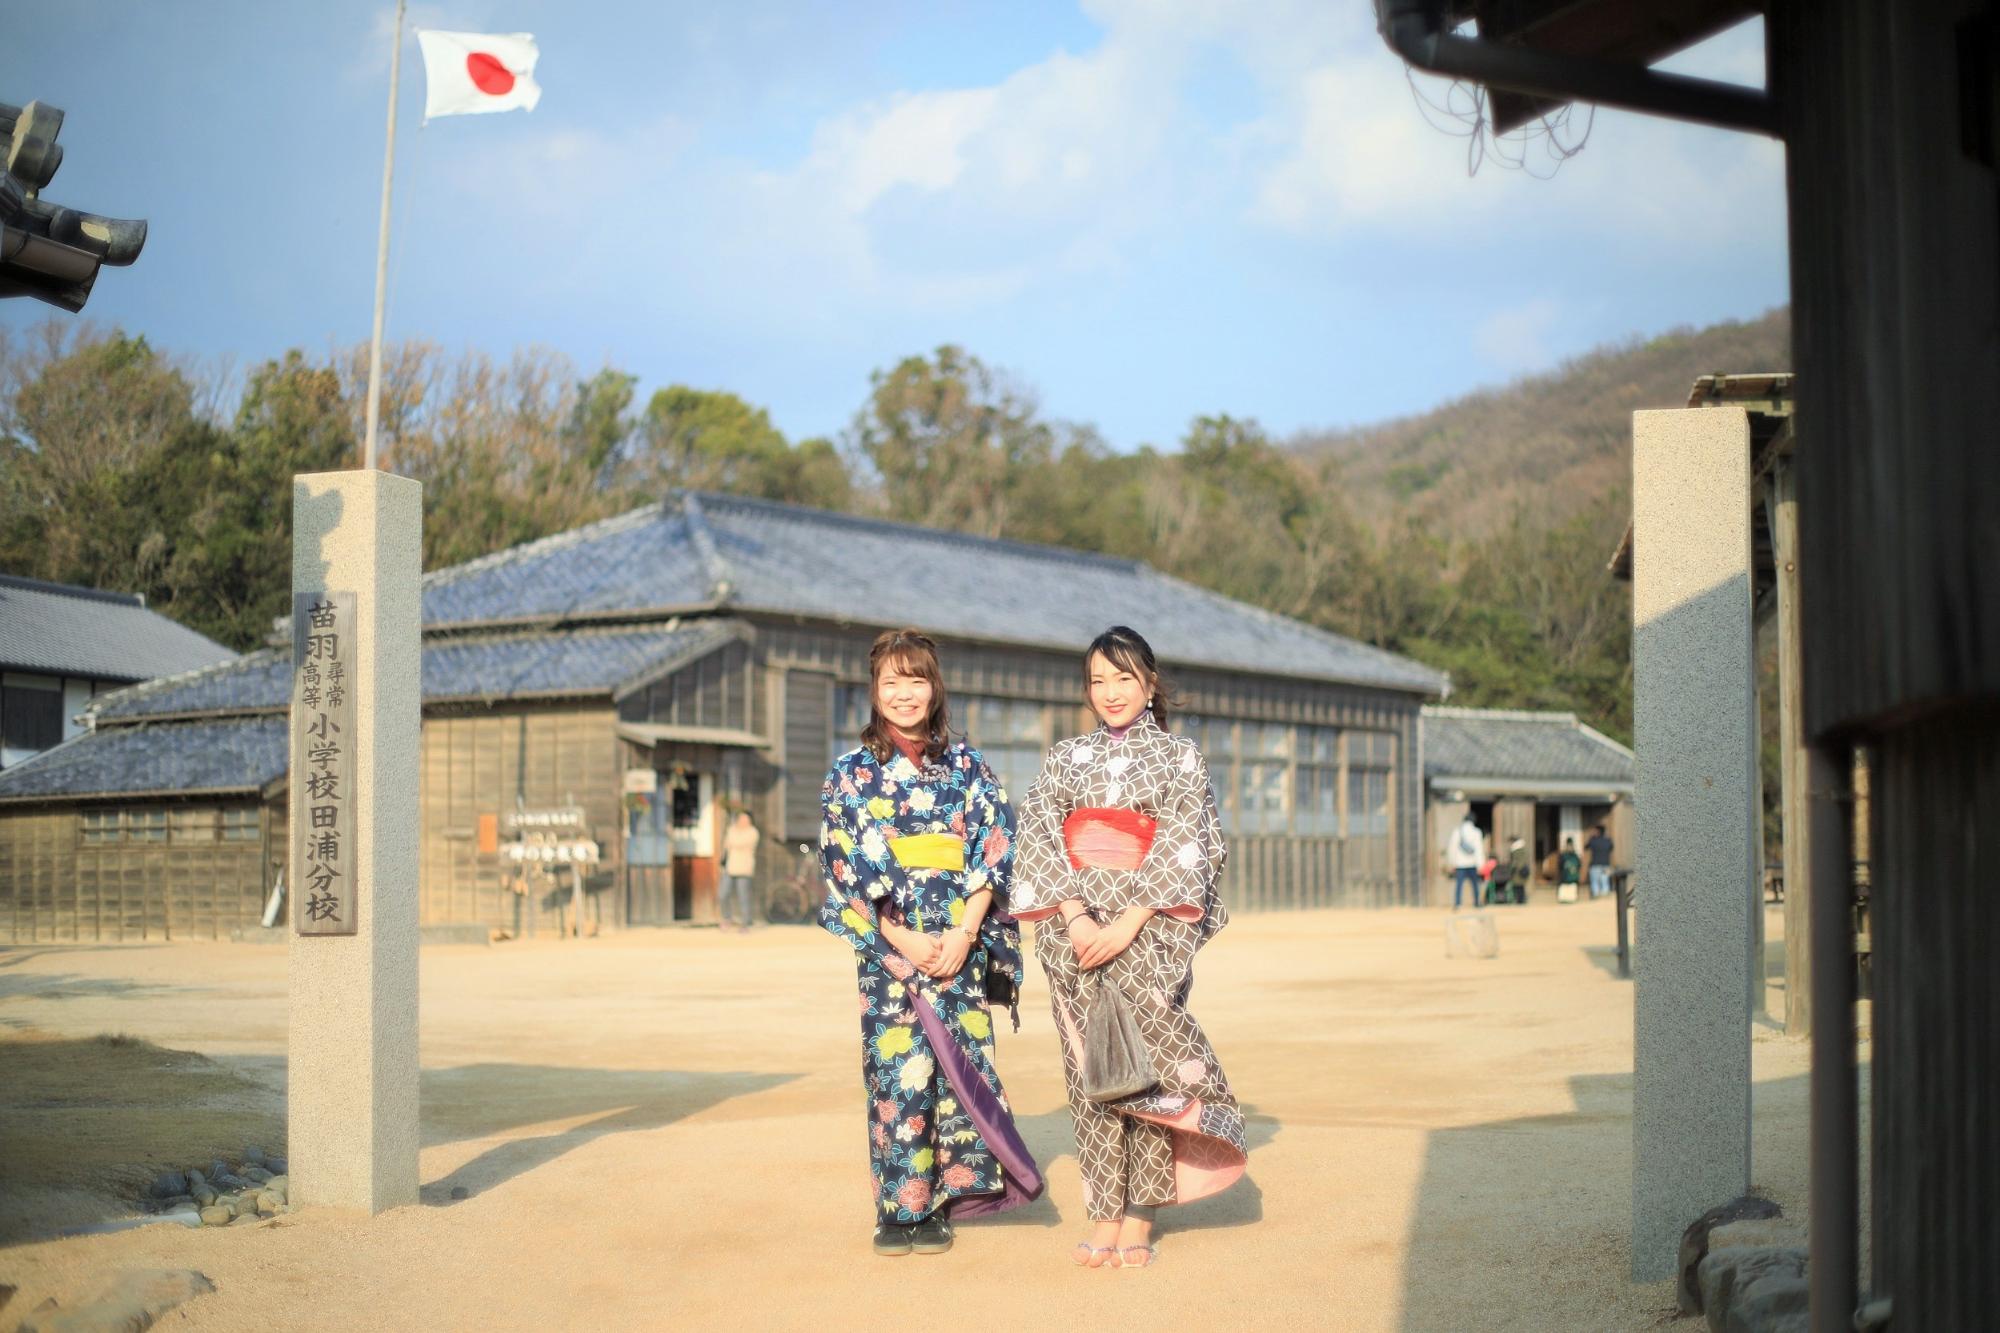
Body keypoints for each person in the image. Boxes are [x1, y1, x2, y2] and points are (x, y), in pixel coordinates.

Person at [1013, 626, 1248, 1271]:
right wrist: (1076, 916)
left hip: (1149, 931)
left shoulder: (1180, 758)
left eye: (1123, 678)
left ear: (1149, 683)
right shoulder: (1065, 758)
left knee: (1142, 1070)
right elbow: (1037, 832)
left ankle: (1141, 1214)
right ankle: (1104, 1210)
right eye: (1097, 680)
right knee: (1090, 1073)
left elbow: (1191, 843)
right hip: (1074, 931)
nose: (1110, 692)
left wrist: (1131, 920)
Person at [817, 628, 1044, 1258]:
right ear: (874, 691)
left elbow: (994, 852)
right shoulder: (851, 774)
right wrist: (902, 938)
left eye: (915, 680)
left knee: (955, 1075)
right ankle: (899, 1208)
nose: (904, 693)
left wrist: (965, 931)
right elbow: (844, 871)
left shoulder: (968, 768)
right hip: (892, 951)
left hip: (958, 944)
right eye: (891, 681)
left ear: (934, 687)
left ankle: (943, 1198)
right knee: (897, 1075)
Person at [720, 809, 760, 931]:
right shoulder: (731, 830)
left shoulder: (753, 832)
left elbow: (737, 843)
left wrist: (732, 841)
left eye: (745, 819)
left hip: (744, 868)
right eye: (741, 819)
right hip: (730, 867)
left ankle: (745, 922)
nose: (743, 821)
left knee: (743, 896)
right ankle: (727, 918)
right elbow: (726, 845)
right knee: (722, 894)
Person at [1446, 814, 1484, 910]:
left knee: (1459, 885)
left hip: (1460, 863)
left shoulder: (1458, 831)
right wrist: (1480, 864)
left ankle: (1457, 904)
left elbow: (1452, 848)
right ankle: (1477, 902)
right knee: (1475, 884)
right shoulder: (1477, 832)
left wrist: (1452, 862)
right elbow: (1479, 849)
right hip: (1472, 863)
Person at [1585, 823, 1615, 900]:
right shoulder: (1608, 840)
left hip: (1595, 865)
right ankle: (1604, 901)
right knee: (1605, 883)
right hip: (1606, 864)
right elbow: (1611, 848)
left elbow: (1586, 847)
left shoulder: (1593, 840)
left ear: (1597, 831)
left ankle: (1596, 899)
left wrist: (1591, 837)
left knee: (1595, 883)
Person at [1506, 836, 1532, 905]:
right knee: (1521, 886)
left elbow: (1516, 861)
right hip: (1521, 869)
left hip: (1518, 870)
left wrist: (1512, 868)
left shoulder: (1516, 850)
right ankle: (1521, 900)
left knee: (1518, 886)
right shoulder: (1522, 849)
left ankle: (1520, 900)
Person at [1557, 836, 1583, 904]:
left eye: (1571, 846)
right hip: (1565, 877)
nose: (1570, 847)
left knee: (1572, 893)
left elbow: (1579, 865)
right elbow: (1560, 865)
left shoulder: (1575, 856)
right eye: (1568, 846)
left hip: (1573, 877)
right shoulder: (1563, 856)